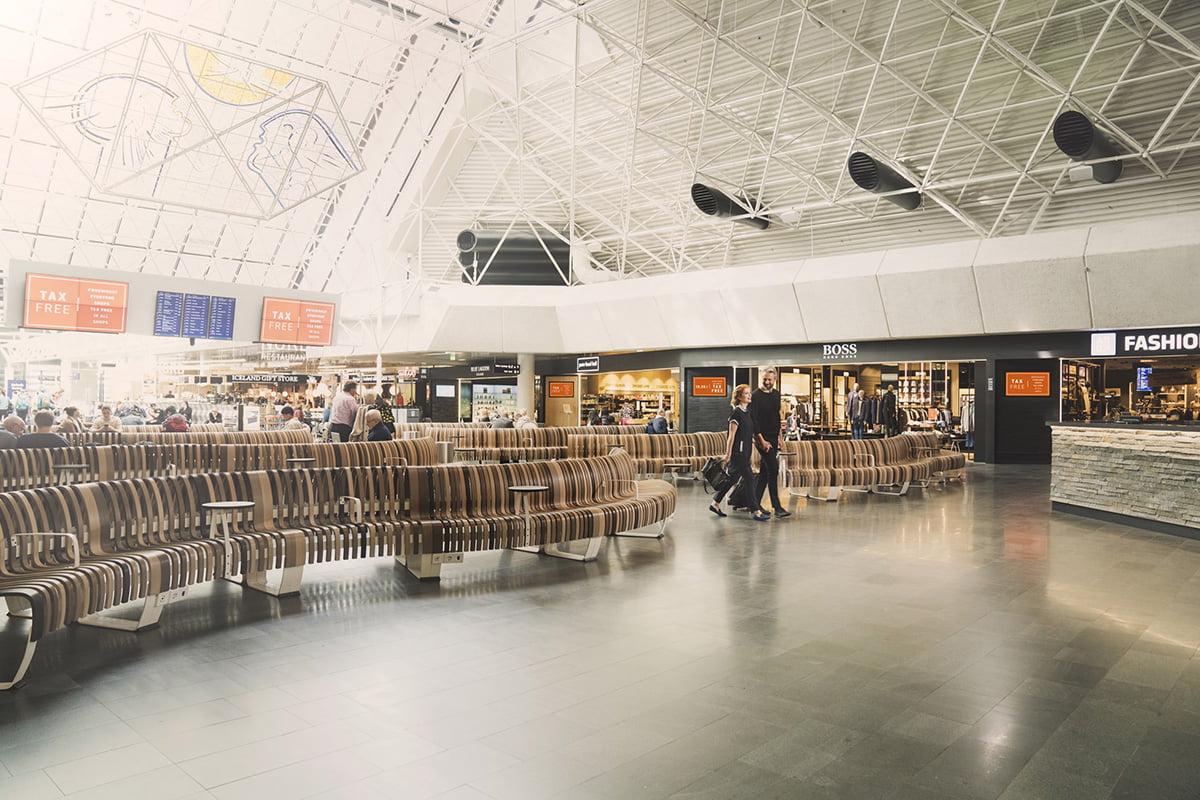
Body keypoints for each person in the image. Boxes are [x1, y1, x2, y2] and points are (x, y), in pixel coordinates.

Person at [709, 384, 770, 521]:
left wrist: (756, 442)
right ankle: (756, 511)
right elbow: (731, 435)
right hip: (738, 453)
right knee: (749, 479)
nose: (749, 395)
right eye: (746, 393)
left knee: (732, 479)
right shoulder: (736, 413)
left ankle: (715, 503)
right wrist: (728, 454)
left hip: (746, 451)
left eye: (750, 393)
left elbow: (746, 433)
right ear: (739, 396)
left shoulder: (746, 412)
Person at [750, 367, 790, 518]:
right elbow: (754, 420)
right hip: (762, 439)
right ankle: (777, 506)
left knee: (765, 472)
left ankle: (754, 504)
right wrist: (761, 440)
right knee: (773, 470)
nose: (767, 382)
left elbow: (776, 417)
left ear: (775, 380)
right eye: (764, 379)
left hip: (774, 437)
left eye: (769, 380)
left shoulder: (776, 395)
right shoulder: (755, 396)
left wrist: (780, 438)